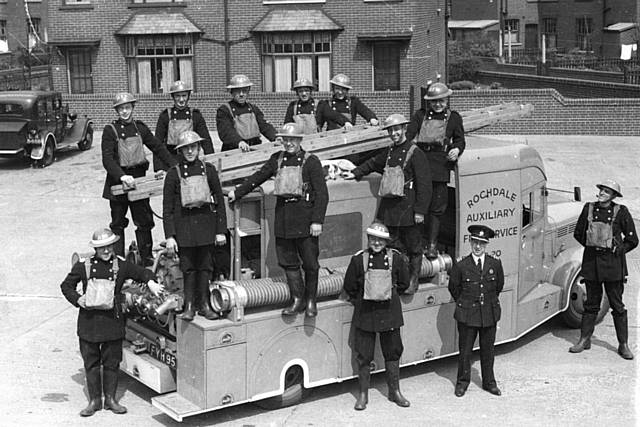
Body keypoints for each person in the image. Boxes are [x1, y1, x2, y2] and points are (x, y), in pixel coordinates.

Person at [227, 122, 328, 317]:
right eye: (286, 140)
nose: (289, 143)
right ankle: (297, 299)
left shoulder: (311, 161)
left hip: (305, 218)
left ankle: (311, 301)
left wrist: (317, 221)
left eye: (293, 140)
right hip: (283, 217)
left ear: (300, 140)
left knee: (310, 262)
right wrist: (237, 192)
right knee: (288, 261)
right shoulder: (277, 159)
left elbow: (322, 194)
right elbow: (258, 177)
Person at [60, 228, 163, 417]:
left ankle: (111, 400)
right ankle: (94, 401)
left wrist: (151, 282)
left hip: (112, 324)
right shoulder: (84, 265)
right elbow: (66, 285)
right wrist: (77, 299)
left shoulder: (121, 265)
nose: (106, 251)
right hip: (89, 324)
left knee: (112, 363)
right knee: (91, 364)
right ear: (95, 250)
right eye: (102, 248)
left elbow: (142, 273)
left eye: (109, 247)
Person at [343, 114, 431, 294]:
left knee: (414, 248)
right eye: (391, 130)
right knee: (392, 247)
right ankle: (396, 280)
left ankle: (413, 281)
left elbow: (425, 185)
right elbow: (373, 163)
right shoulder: (390, 151)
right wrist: (356, 172)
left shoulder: (415, 153)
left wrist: (420, 211)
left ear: (404, 129)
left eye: (397, 129)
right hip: (390, 209)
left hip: (408, 208)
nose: (394, 133)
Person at [102, 92, 177, 265]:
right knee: (118, 223)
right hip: (118, 184)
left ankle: (147, 257)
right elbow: (107, 159)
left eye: (127, 107)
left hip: (139, 184)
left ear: (132, 108)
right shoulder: (110, 130)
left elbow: (158, 148)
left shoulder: (140, 128)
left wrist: (174, 167)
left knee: (144, 221)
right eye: (121, 109)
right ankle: (118, 260)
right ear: (117, 110)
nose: (125, 112)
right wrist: (121, 176)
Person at [343, 222, 411, 411]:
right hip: (366, 313)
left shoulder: (396, 258)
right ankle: (363, 395)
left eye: (380, 240)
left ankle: (394, 391)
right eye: (373, 239)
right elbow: (350, 286)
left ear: (386, 242)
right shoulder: (359, 260)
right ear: (368, 239)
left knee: (393, 351)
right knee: (364, 355)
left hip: (390, 313)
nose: (376, 243)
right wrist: (363, 300)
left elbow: (404, 282)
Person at [163, 131, 228, 321]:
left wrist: (220, 231)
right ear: (180, 151)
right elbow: (167, 208)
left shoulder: (209, 170)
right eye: (186, 148)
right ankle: (190, 305)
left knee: (206, 267)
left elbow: (219, 202)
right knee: (188, 267)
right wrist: (170, 236)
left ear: (199, 148)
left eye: (193, 147)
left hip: (206, 226)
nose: (190, 151)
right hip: (184, 228)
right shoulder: (173, 174)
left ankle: (205, 304)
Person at [570, 179, 638, 359]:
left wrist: (619, 249)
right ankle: (584, 339)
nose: (602, 193)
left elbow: (633, 240)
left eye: (607, 192)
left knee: (617, 304)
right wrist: (593, 244)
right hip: (592, 263)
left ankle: (623, 344)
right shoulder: (589, 208)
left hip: (613, 265)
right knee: (591, 302)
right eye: (601, 190)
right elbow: (578, 233)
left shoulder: (621, 212)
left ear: (614, 196)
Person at [406, 82, 465, 259]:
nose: (438, 104)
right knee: (418, 204)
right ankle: (415, 243)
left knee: (437, 209)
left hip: (441, 166)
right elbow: (408, 136)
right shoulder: (419, 115)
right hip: (422, 163)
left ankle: (432, 244)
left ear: (447, 100)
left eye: (441, 101)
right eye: (434, 101)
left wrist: (456, 149)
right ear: (429, 102)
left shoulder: (454, 117)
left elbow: (460, 140)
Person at [448, 225, 504, 397]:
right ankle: (462, 383)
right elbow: (454, 288)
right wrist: (465, 302)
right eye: (475, 242)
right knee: (465, 351)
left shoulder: (494, 263)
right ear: (470, 242)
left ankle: (489, 382)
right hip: (467, 314)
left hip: (488, 313)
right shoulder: (461, 265)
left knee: (488, 351)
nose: (478, 246)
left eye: (482, 243)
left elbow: (498, 286)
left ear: (486, 245)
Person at [153, 80, 214, 171]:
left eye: (184, 96)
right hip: (170, 161)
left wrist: (211, 162)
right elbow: (157, 143)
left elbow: (206, 140)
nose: (181, 100)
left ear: (188, 96)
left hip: (191, 159)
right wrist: (158, 168)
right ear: (173, 97)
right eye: (178, 96)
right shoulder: (165, 116)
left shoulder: (195, 115)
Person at [216, 74, 277, 152]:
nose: (241, 94)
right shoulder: (224, 110)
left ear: (248, 91)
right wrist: (238, 142)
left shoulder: (253, 108)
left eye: (244, 91)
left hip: (254, 148)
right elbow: (226, 131)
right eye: (238, 91)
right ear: (232, 92)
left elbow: (264, 125)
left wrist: (275, 137)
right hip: (235, 150)